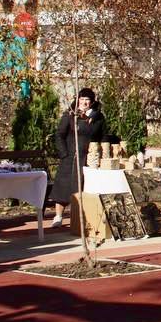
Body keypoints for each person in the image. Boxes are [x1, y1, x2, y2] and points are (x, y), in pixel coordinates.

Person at [50, 88, 105, 228]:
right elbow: (59, 135)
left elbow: (100, 135)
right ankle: (58, 216)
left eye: (87, 100)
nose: (84, 102)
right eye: (81, 99)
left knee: (85, 188)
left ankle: (81, 218)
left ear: (92, 102)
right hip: (70, 156)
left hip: (88, 158)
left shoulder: (97, 117)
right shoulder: (70, 115)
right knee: (63, 187)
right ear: (77, 100)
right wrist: (64, 153)